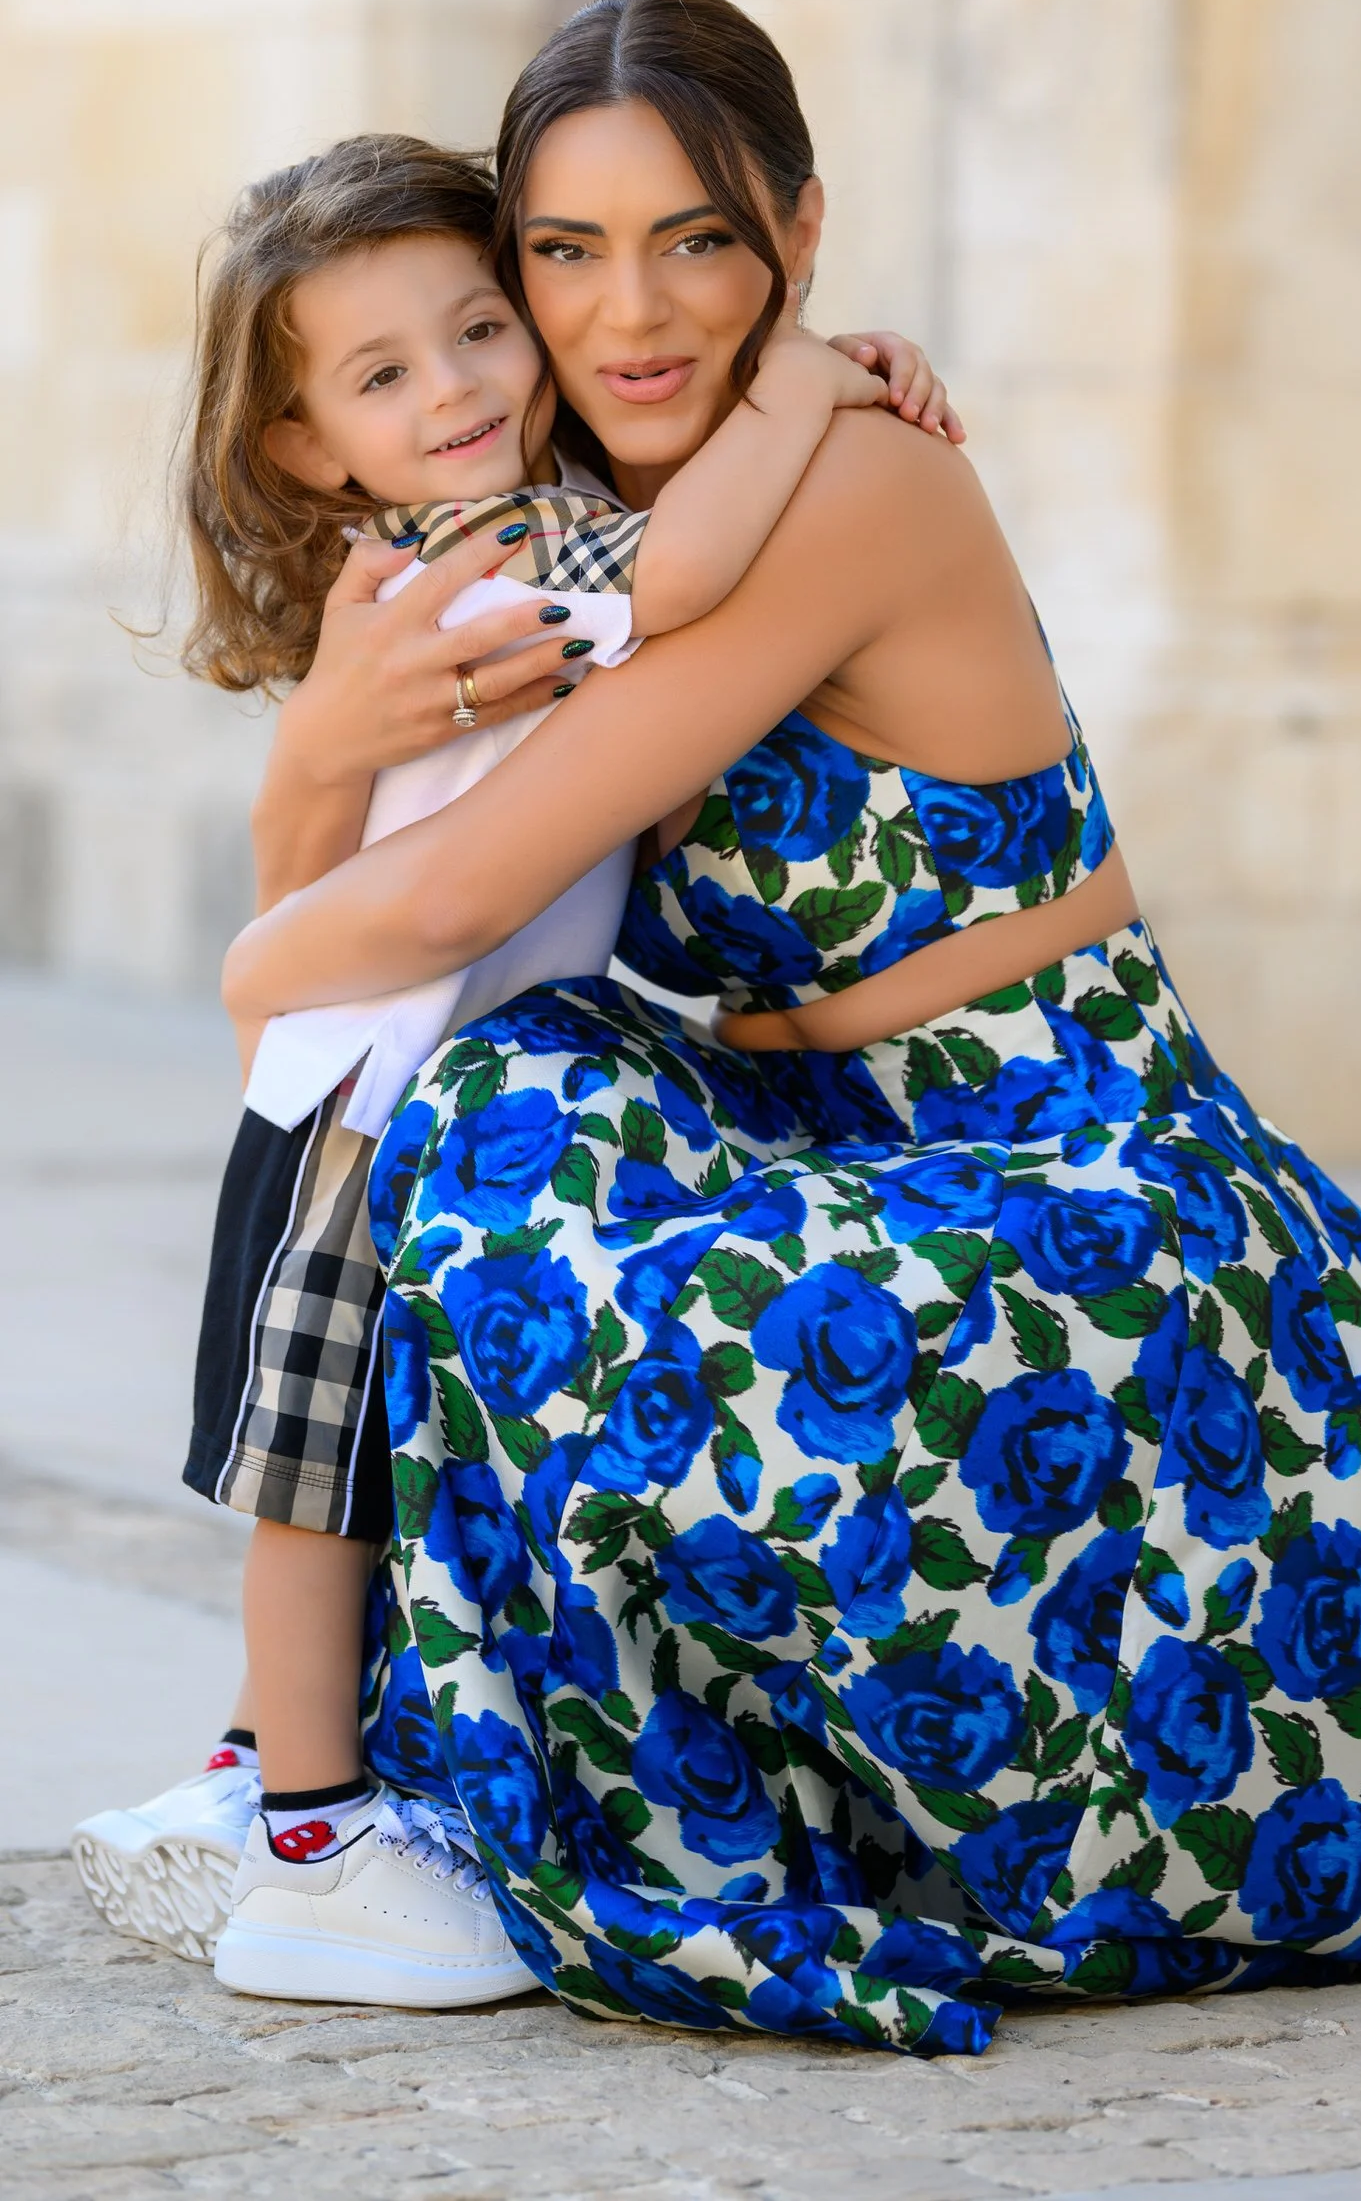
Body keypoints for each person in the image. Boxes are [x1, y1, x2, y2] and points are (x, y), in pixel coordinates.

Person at [212, 0, 1361, 2045]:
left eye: (696, 240)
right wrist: (315, 753)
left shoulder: (849, 481)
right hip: (837, 1146)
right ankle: (329, 1760)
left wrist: (250, 954)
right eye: (564, 252)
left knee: (520, 1154)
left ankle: (440, 1777)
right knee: (494, 1098)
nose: (631, 312)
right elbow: (373, 937)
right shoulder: (589, 533)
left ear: (795, 234)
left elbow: (413, 904)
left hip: (1066, 1171)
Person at [71, 129, 960, 1991]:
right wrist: (805, 374)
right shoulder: (493, 567)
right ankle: (312, 1839)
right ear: (306, 443)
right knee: (316, 1488)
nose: (463, 385)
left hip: (395, 1084)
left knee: (356, 1467)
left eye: (481, 327)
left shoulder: (406, 561)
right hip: (378, 1101)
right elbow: (705, 558)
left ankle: (261, 1782)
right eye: (385, 374)